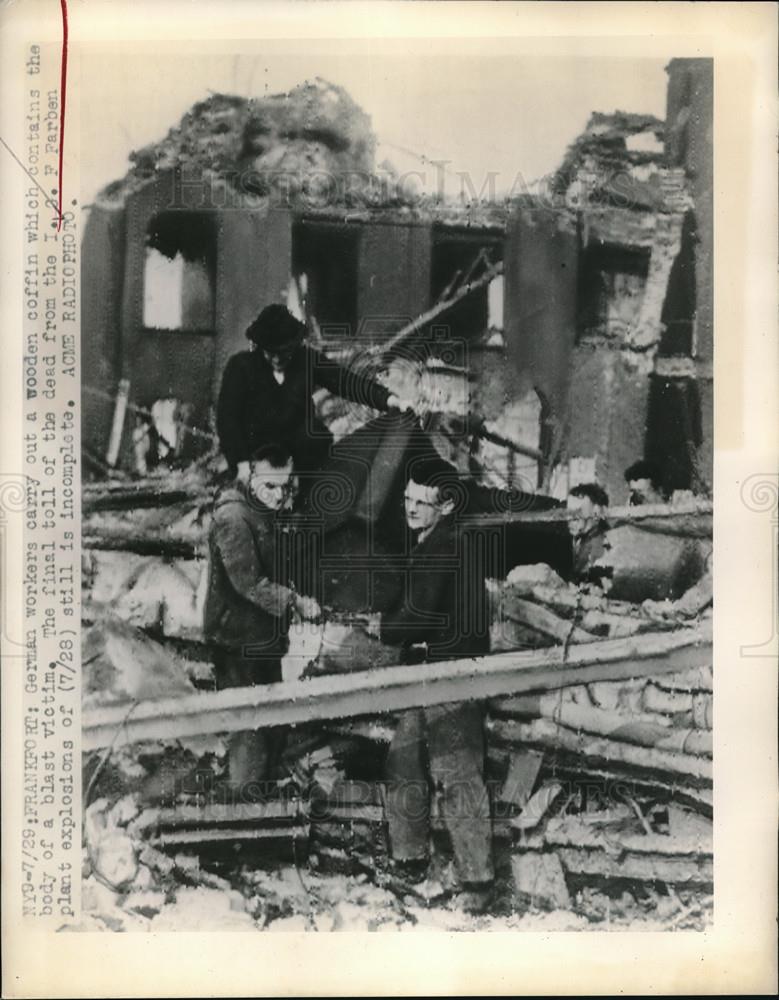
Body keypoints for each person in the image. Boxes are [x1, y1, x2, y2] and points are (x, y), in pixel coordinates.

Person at [379, 456, 495, 913]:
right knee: (403, 760)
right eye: (407, 499)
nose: (410, 508)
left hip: (450, 674)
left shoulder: (445, 546)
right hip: (426, 671)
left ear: (445, 506)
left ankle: (478, 883)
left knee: (457, 773)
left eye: (421, 502)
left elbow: (415, 617)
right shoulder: (433, 541)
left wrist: (385, 627)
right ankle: (409, 861)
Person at [204, 442, 321, 800]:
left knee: (271, 723)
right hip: (236, 642)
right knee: (248, 727)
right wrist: (296, 602)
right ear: (250, 476)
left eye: (285, 487)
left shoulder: (267, 509)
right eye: (270, 486)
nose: (278, 495)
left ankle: (261, 795)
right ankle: (242, 808)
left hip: (263, 637)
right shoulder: (233, 518)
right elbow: (248, 583)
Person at [216, 304, 401, 482]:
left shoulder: (306, 359)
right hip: (258, 452)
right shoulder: (240, 367)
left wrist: (388, 399)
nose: (277, 359)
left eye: (284, 352)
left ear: (294, 345)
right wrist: (241, 463)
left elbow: (345, 381)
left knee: (316, 437)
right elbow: (227, 419)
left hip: (299, 453)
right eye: (271, 352)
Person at [566, 482, 612, 590]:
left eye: (577, 511)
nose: (569, 518)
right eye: (568, 512)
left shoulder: (598, 543)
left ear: (596, 512)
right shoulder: (583, 538)